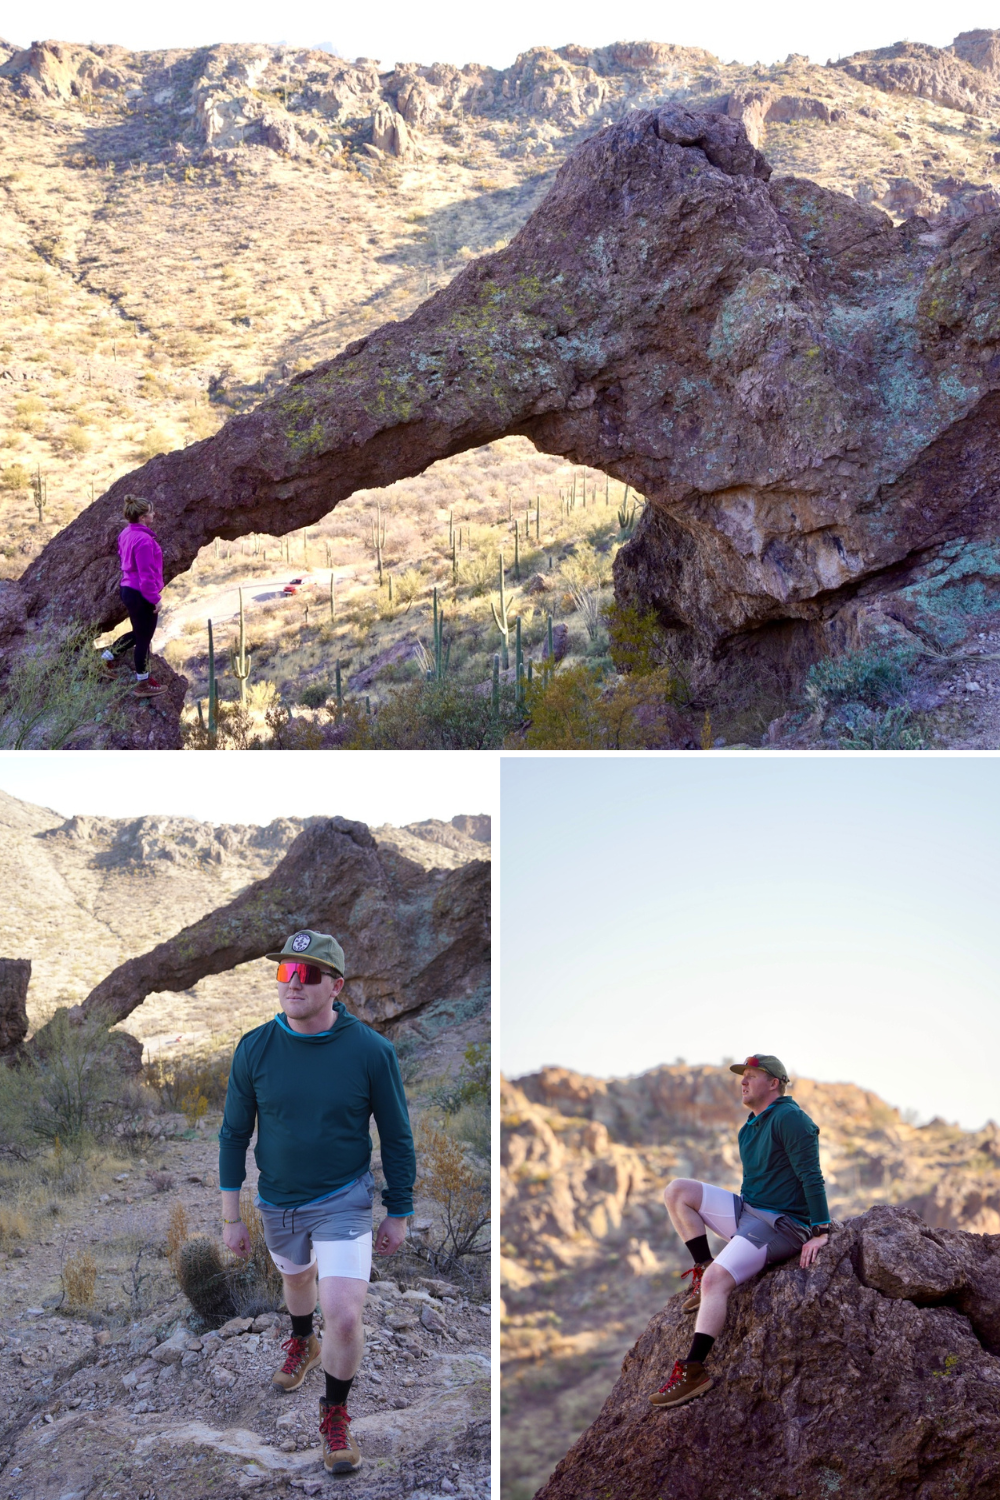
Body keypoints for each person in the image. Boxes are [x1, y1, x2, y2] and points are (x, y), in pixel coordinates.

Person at [218, 929, 416, 1475]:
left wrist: (399, 1209)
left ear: (336, 985)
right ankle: (301, 1340)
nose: (292, 983)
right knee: (298, 1281)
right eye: (285, 972)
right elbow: (234, 1135)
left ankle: (335, 1414)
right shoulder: (254, 1047)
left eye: (306, 974)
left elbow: (396, 1136)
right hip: (278, 1202)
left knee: (346, 1318)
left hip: (343, 1199)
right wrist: (232, 1216)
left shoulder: (372, 1052)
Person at [650, 1053, 834, 1410]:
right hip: (749, 1212)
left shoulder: (791, 1118)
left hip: (780, 1224)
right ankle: (701, 1264)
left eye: (751, 1075)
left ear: (774, 1083)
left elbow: (812, 1175)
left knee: (717, 1282)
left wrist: (820, 1230)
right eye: (742, 1076)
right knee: (677, 1190)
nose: (743, 1082)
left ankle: (694, 1372)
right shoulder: (749, 1126)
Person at [106, 494, 166, 696]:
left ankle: (106, 658)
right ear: (142, 517)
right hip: (141, 593)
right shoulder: (144, 540)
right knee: (143, 639)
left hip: (128, 589)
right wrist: (155, 599)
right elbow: (146, 575)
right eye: (150, 512)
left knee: (139, 633)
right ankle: (143, 684)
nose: (154, 514)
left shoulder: (126, 533)